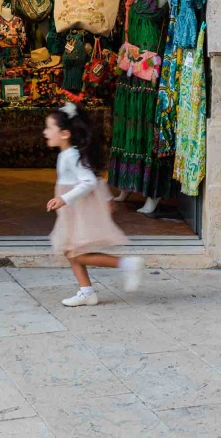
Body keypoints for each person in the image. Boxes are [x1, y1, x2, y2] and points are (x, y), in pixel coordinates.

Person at [44, 103, 144, 306]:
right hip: (72, 208)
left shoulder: (71, 155)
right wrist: (105, 198)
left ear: (64, 133)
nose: (45, 132)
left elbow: (88, 181)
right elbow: (96, 178)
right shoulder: (68, 154)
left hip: (77, 208)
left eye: (49, 128)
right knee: (69, 249)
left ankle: (127, 264)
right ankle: (86, 291)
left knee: (76, 252)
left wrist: (64, 199)